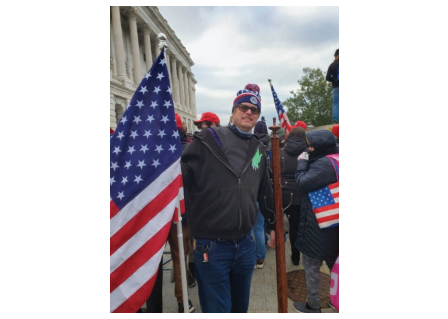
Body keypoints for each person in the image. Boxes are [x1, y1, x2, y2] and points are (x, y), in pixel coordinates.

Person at [181, 84, 276, 313]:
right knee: (218, 310)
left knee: (240, 307)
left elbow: (265, 190)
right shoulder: (207, 140)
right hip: (212, 246)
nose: (249, 112)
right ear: (233, 111)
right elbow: (180, 180)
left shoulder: (259, 149)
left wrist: (273, 225)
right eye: (243, 107)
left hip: (245, 244)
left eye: (254, 110)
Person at [293, 129, 339, 313]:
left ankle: (313, 306)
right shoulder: (336, 157)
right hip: (333, 222)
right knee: (334, 264)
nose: (308, 148)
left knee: (312, 266)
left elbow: (303, 183)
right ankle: (337, 299)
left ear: (319, 147)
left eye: (310, 145)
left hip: (318, 226)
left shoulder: (324, 164)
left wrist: (302, 162)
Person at [166, 114, 196, 313]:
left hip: (160, 214)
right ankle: (182, 300)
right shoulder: (190, 152)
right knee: (179, 257)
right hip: (182, 214)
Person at [275, 126, 308, 266]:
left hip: (283, 194)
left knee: (286, 225)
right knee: (301, 226)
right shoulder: (309, 153)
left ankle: (292, 255)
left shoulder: (280, 152)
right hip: (303, 195)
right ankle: (299, 255)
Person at [251, 120, 271, 269]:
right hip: (265, 190)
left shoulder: (255, 147)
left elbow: (254, 168)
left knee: (254, 228)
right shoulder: (272, 144)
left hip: (253, 191)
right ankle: (260, 258)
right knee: (259, 226)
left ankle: (254, 257)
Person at [326, 49, 339, 124]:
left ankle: (335, 120)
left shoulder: (332, 65)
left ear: (336, 56)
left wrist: (334, 80)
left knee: (336, 103)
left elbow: (327, 78)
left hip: (336, 87)